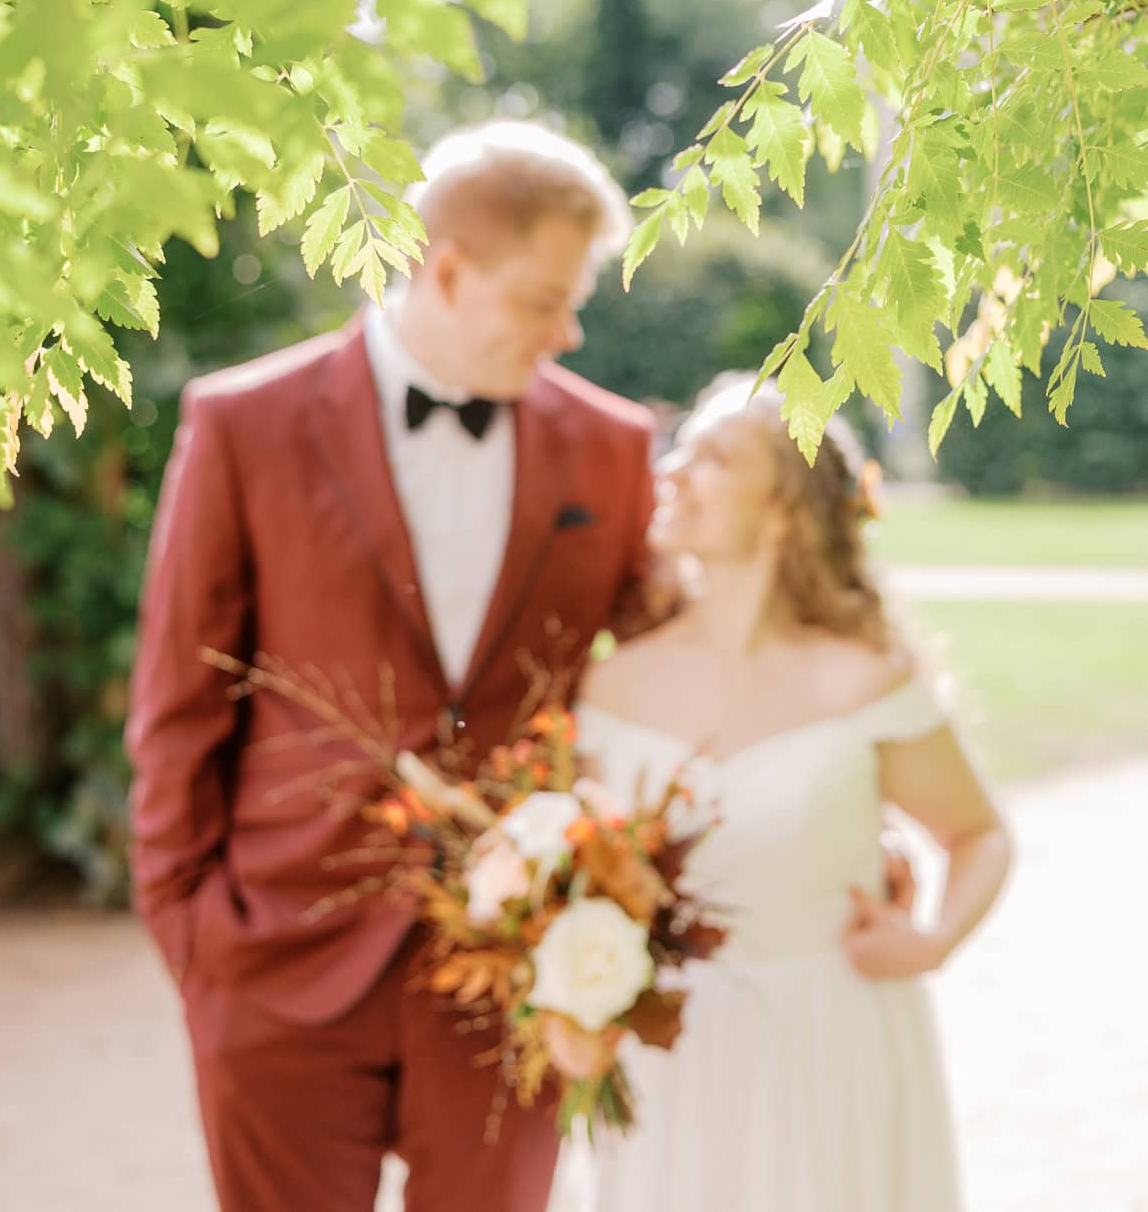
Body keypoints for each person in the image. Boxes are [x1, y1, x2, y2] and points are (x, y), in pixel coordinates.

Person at [126, 120, 657, 1212]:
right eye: (543, 300)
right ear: (448, 270)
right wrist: (192, 937)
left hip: (515, 967)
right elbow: (179, 700)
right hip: (275, 961)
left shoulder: (613, 449)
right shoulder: (244, 424)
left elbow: (682, 658)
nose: (567, 333)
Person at [566, 374, 1012, 1212]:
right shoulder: (613, 684)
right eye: (681, 447)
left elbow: (980, 834)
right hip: (668, 1060)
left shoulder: (862, 681)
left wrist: (934, 941)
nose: (673, 469)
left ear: (784, 510)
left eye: (715, 456)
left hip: (831, 1040)